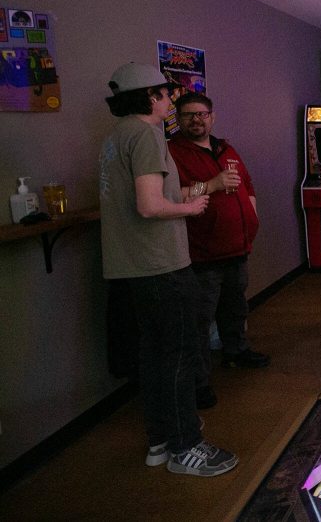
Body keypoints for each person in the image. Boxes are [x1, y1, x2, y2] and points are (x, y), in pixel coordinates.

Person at [98, 61, 237, 477]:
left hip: (132, 267)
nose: (170, 101)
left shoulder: (116, 136)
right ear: (150, 96)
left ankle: (160, 440)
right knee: (179, 355)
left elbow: (154, 191)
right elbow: (150, 204)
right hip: (161, 263)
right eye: (165, 93)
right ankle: (185, 447)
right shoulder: (146, 134)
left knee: (154, 357)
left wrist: (201, 188)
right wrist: (190, 207)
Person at [169, 92, 268, 413]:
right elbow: (172, 196)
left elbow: (247, 185)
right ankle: (198, 382)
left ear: (212, 116)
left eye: (201, 114)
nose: (196, 120)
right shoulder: (172, 152)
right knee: (199, 321)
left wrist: (251, 218)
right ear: (178, 119)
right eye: (188, 115)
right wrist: (210, 185)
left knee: (235, 308)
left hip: (237, 246)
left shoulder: (226, 147)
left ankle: (236, 352)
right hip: (203, 252)